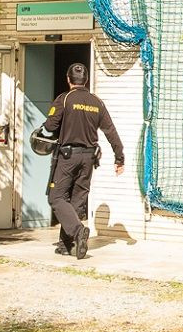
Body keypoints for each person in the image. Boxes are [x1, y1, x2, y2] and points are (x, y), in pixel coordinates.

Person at [38, 61, 123, 259]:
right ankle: (66, 244)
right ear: (86, 80)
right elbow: (110, 131)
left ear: (68, 80)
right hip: (89, 158)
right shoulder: (97, 102)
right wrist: (119, 157)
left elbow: (50, 127)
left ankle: (77, 231)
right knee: (77, 200)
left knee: (56, 197)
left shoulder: (65, 99)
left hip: (68, 156)